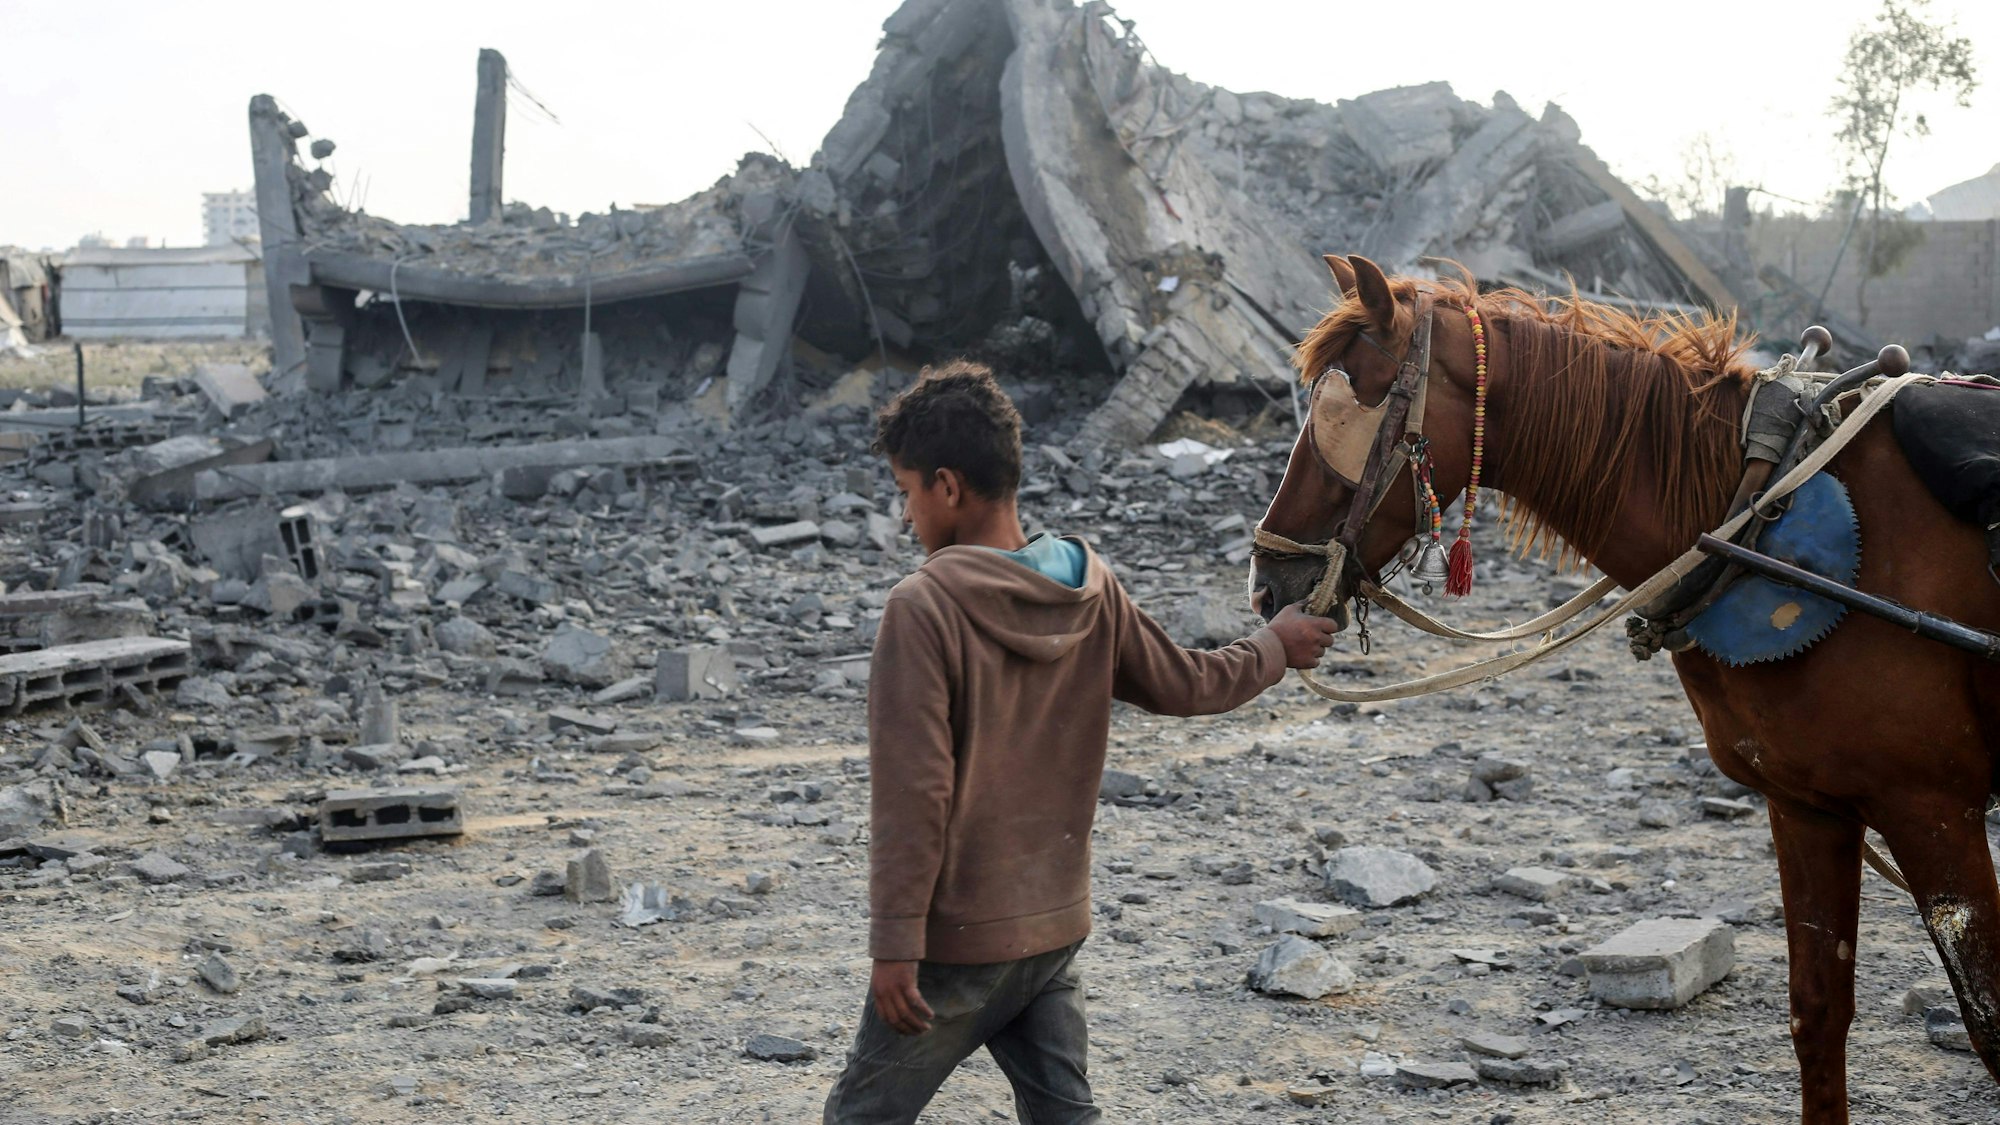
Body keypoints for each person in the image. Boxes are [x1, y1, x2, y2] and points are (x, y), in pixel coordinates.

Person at [822, 360, 1340, 1123]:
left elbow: (915, 791)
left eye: (906, 493)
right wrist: (1273, 644)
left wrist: (894, 944)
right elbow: (1186, 681)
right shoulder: (1088, 582)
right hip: (1052, 931)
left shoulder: (922, 607)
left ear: (948, 486)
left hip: (958, 946)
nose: (905, 518)